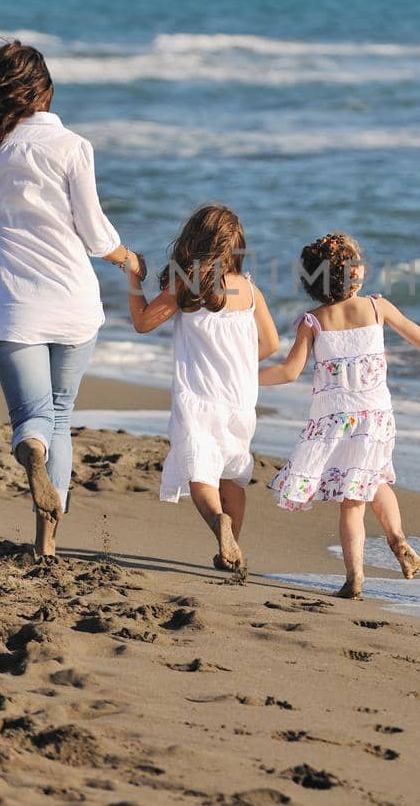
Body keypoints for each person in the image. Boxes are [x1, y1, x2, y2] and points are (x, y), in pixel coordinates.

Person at [0, 40, 141, 560]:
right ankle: (47, 542)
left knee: (32, 418)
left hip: (11, 306)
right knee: (60, 413)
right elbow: (97, 235)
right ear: (46, 92)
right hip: (74, 304)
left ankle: (30, 454)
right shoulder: (73, 146)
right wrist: (128, 258)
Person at [260, 233, 420, 598]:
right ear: (355, 274)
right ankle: (397, 538)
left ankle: (354, 578)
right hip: (375, 416)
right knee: (375, 480)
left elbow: (289, 372)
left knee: (352, 502)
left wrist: (247, 378)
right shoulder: (376, 308)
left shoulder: (313, 321)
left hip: (334, 419)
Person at [127, 204, 279, 576]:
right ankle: (231, 549)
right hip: (240, 400)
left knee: (201, 475)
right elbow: (272, 344)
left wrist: (133, 278)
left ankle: (218, 524)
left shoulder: (185, 284)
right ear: (236, 247)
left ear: (193, 241)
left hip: (198, 398)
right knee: (232, 476)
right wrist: (242, 364)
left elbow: (143, 323)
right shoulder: (249, 290)